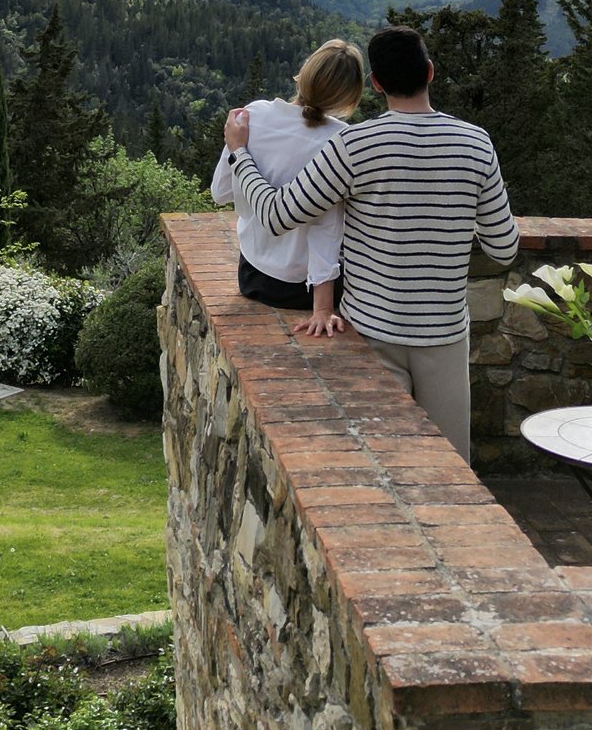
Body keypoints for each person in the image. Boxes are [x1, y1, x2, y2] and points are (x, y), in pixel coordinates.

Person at [223, 23, 518, 464]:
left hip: (370, 333)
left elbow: (277, 215)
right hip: (444, 335)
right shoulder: (477, 144)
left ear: (376, 84)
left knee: (382, 465)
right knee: (448, 469)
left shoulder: (353, 144)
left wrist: (239, 153)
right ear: (430, 73)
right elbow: (503, 247)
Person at [208, 39, 365, 327]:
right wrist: (322, 310)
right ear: (348, 96)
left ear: (305, 71)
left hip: (253, 275)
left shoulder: (251, 116)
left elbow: (220, 193)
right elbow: (326, 229)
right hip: (303, 288)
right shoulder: (342, 142)